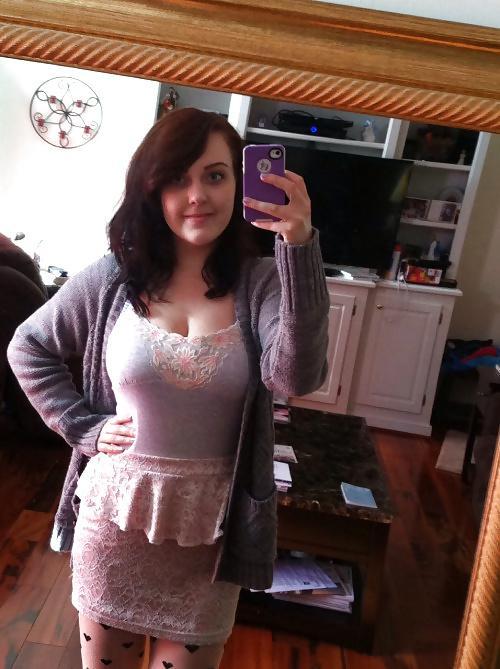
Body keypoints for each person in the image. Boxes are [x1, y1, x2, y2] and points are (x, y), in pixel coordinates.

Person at [7, 107, 329, 669]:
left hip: (209, 538)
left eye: (215, 175)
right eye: (178, 178)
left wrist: (298, 246)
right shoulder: (114, 277)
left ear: (239, 184)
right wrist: (82, 427)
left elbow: (295, 376)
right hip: (114, 523)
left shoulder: (262, 283)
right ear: (152, 189)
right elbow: (27, 346)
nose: (197, 195)